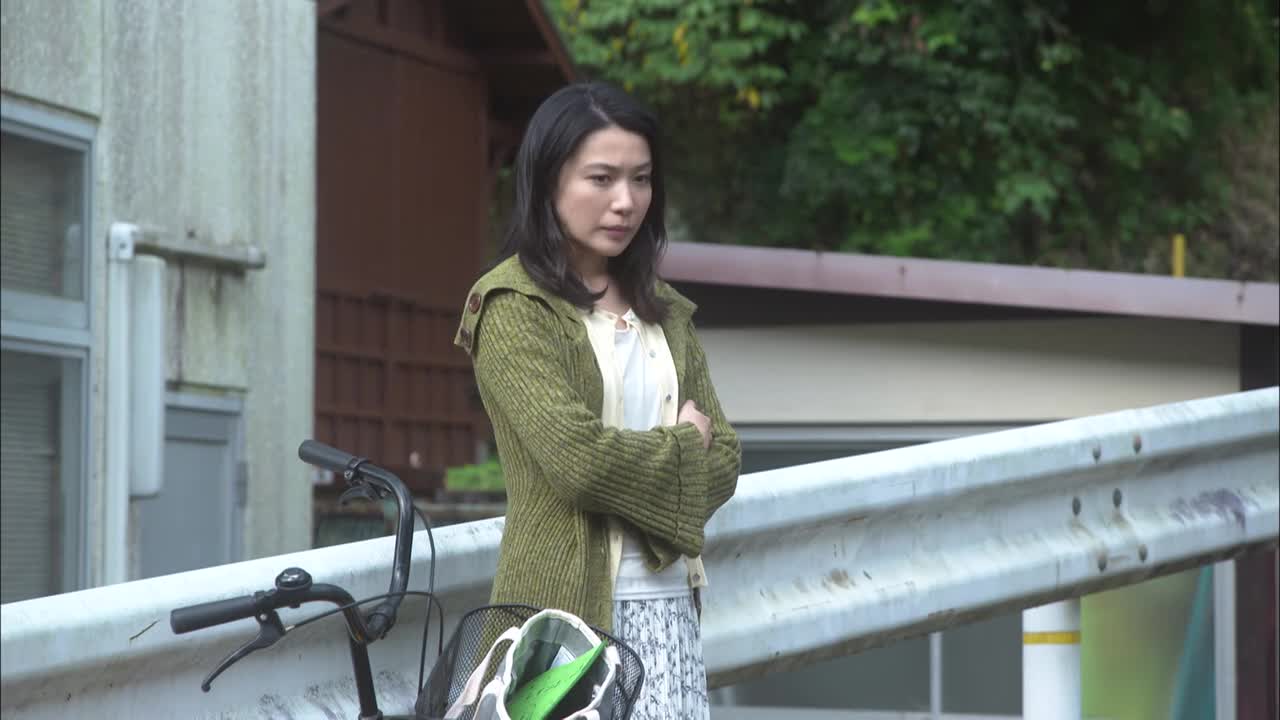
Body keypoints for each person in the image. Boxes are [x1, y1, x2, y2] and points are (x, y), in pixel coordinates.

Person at [453, 81, 741, 719]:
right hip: (563, 616)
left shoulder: (665, 310)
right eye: (601, 179)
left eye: (641, 180)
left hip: (671, 606)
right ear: (548, 181)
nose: (626, 201)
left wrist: (673, 457)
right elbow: (578, 463)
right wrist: (683, 444)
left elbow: (726, 461)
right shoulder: (511, 307)